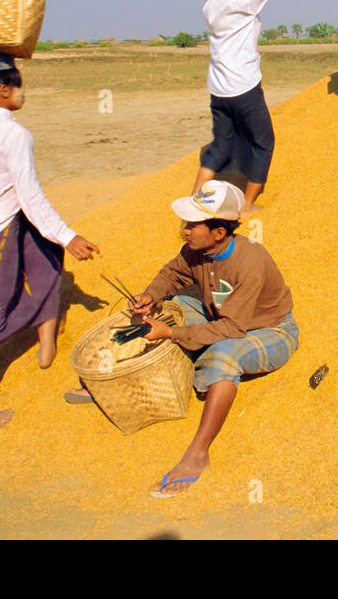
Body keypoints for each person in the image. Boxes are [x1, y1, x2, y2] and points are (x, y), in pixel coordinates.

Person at [0, 53, 99, 433]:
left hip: (1, 216)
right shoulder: (15, 135)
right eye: (19, 85)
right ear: (2, 91)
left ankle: (46, 340)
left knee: (47, 257)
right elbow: (30, 196)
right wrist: (70, 235)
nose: (23, 92)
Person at [127, 181, 299, 496]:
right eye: (186, 223)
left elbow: (233, 329)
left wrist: (172, 334)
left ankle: (197, 454)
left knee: (224, 354)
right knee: (172, 306)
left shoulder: (250, 262)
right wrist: (151, 296)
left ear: (219, 232)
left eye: (193, 224)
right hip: (222, 317)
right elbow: (171, 275)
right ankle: (127, 371)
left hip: (269, 331)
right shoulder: (195, 249)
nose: (185, 230)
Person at [189, 0, 285, 215]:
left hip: (218, 90)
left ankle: (195, 199)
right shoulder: (246, 1)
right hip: (244, 87)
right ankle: (247, 205)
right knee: (263, 141)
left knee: (220, 145)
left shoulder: (213, 1)